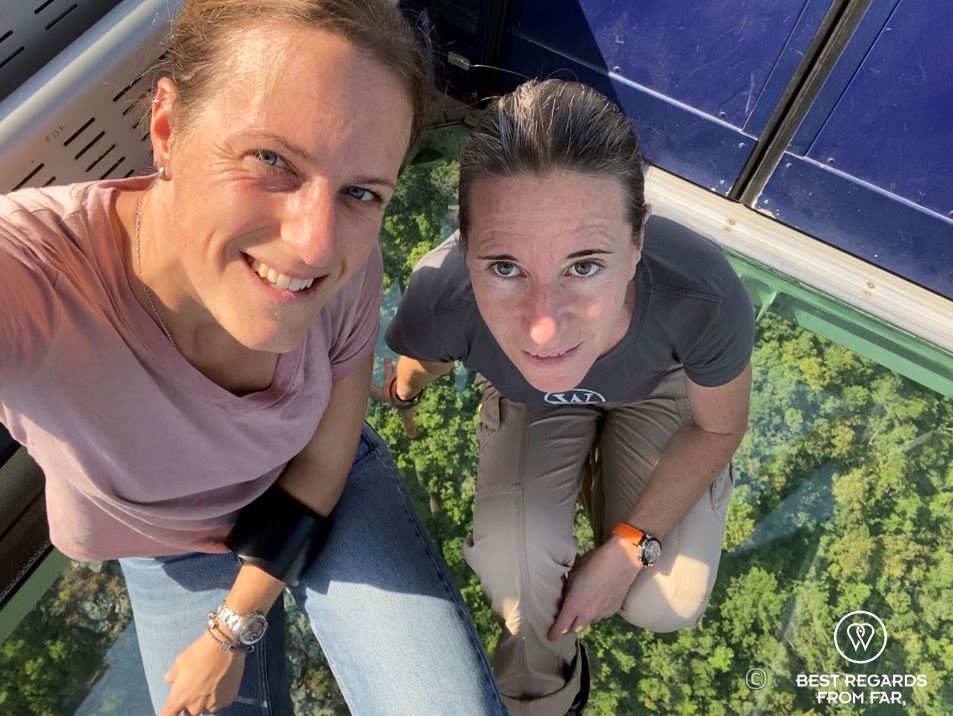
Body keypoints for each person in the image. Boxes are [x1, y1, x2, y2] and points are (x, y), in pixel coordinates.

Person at [0, 1, 508, 714]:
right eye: (271, 159)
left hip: (311, 479)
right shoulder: (36, 277)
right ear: (168, 128)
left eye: (361, 191)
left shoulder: (347, 268)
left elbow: (327, 463)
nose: (313, 245)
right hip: (172, 542)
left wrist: (231, 630)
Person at [384, 79, 754, 715]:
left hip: (660, 387)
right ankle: (545, 695)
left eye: (584, 265)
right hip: (530, 401)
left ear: (638, 242)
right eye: (505, 267)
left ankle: (607, 482)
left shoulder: (702, 295)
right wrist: (402, 393)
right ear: (465, 246)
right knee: (516, 573)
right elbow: (423, 361)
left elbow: (719, 427)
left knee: (666, 601)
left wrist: (629, 547)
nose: (544, 328)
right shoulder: (442, 296)